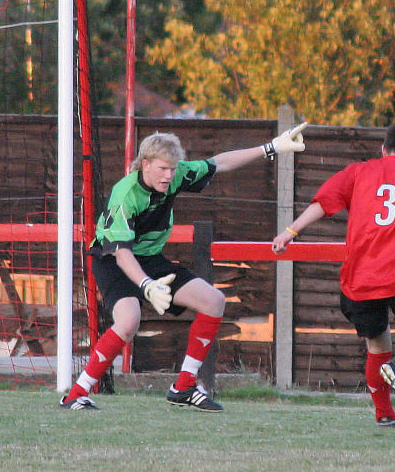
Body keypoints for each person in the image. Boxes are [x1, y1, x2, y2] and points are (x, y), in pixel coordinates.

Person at [60, 123, 308, 411]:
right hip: (112, 260)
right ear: (145, 164)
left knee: (213, 301)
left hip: (150, 259)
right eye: (164, 169)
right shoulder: (125, 195)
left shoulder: (176, 175)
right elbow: (123, 254)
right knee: (129, 321)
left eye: (173, 169)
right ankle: (76, 393)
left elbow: (220, 163)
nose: (170, 175)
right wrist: (146, 286)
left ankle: (184, 387)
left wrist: (271, 147)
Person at [272, 121, 395, 427]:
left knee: (378, 348)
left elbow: (324, 203)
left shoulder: (357, 172)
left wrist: (290, 231)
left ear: (383, 148)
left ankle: (385, 415)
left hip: (359, 279)